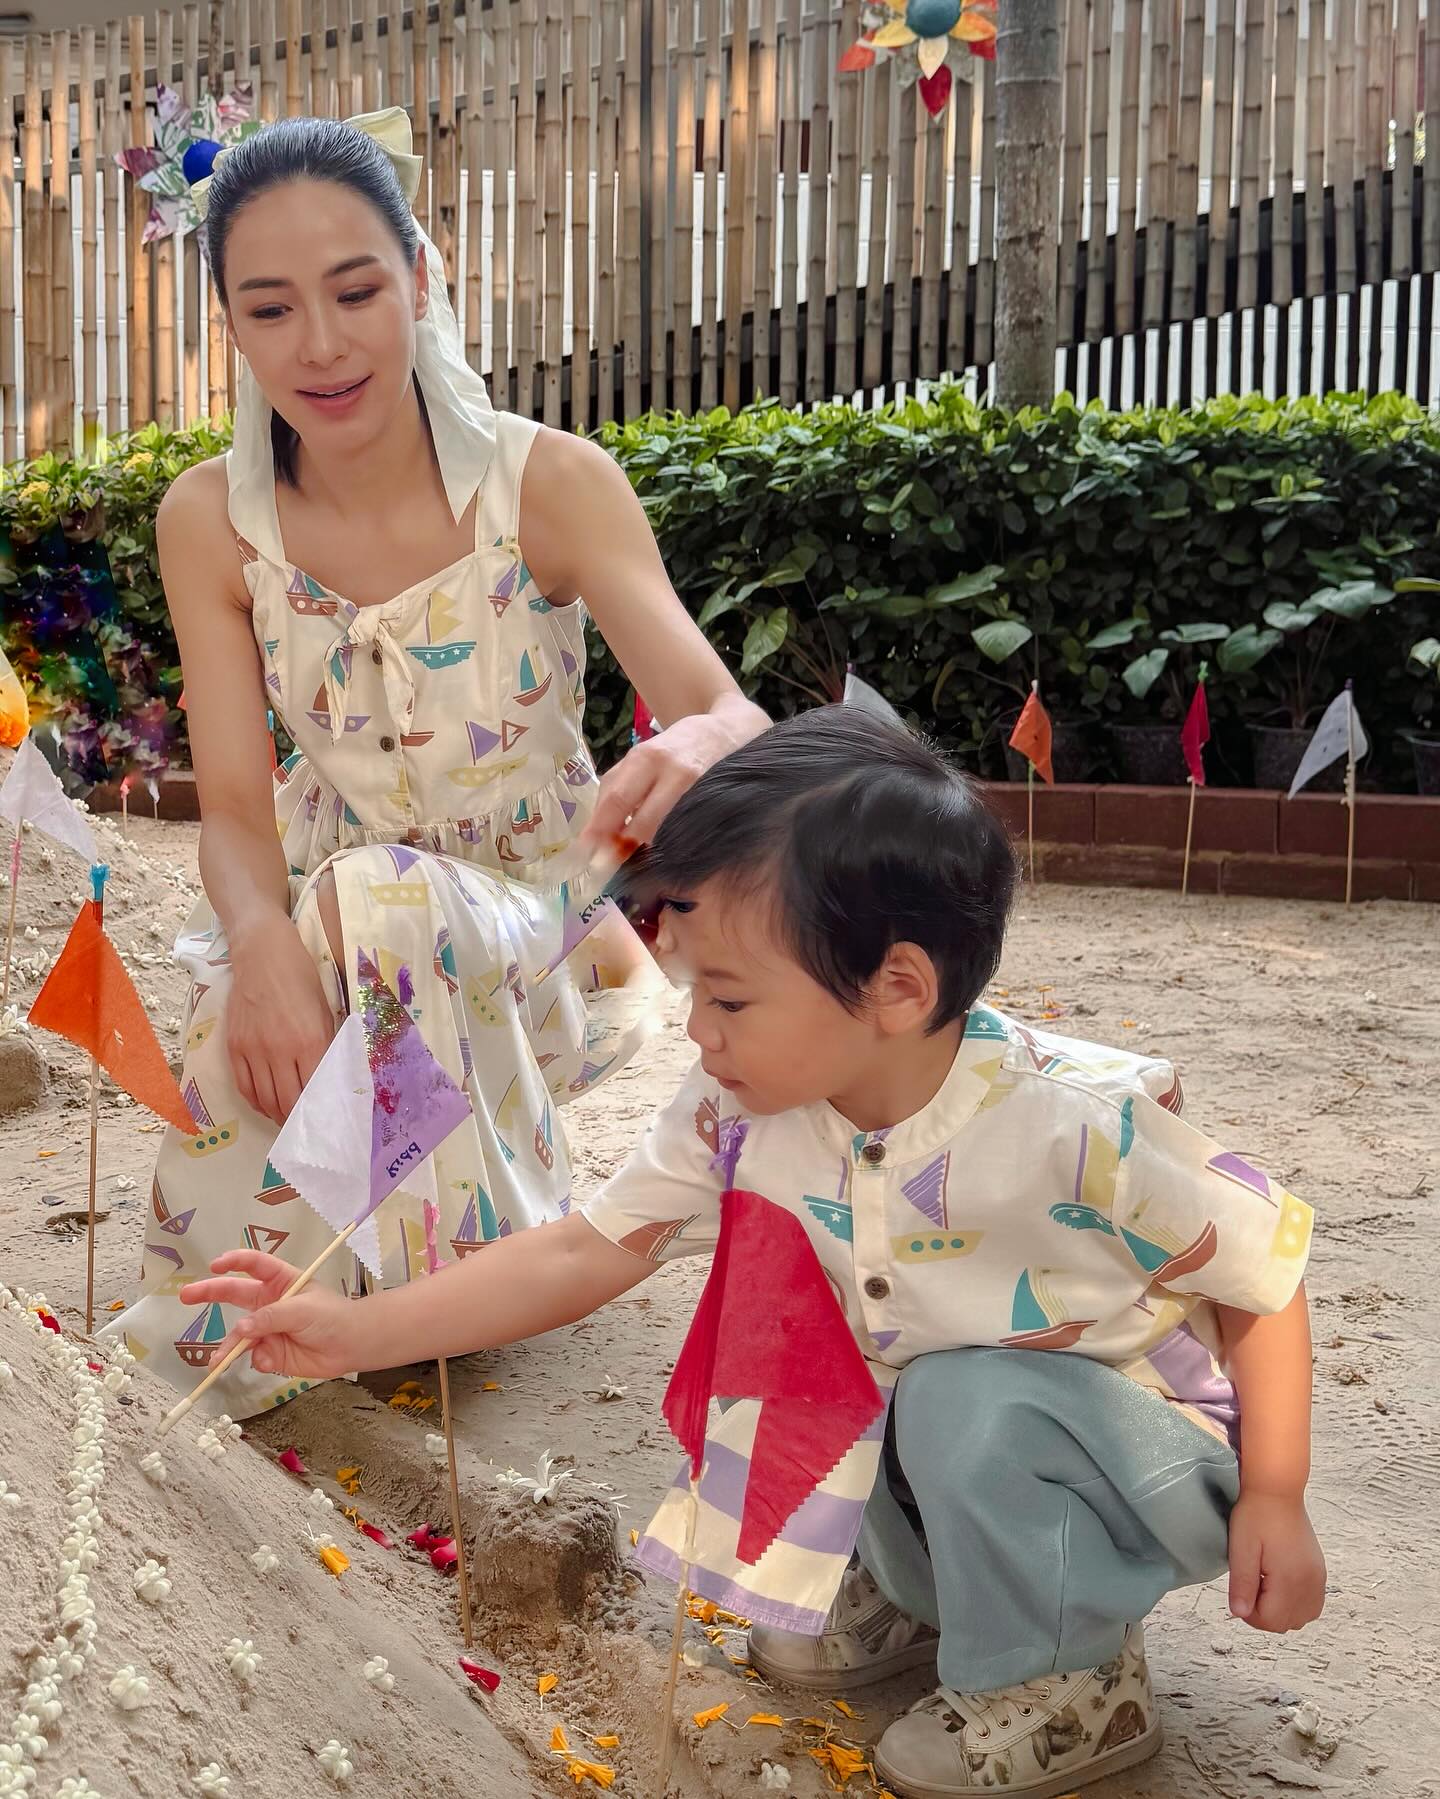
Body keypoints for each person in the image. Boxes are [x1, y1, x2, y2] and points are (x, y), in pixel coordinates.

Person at [179, 708, 1326, 1799]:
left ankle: (1068, 1677)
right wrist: (353, 1330)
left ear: (896, 986)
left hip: (1135, 1459)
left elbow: (1265, 1279)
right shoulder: (742, 1102)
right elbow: (581, 1249)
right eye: (692, 991)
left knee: (960, 1398)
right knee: (820, 1336)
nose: (696, 1030)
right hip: (946, 1430)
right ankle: (920, 1589)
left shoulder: (1077, 1123)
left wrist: (1276, 1495)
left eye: (728, 998)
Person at [101, 107, 765, 1418]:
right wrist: (261, 948)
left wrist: (693, 736)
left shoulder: (547, 486)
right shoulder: (210, 519)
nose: (322, 343)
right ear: (230, 325)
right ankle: (249, 1326)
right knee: (260, 1002)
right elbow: (231, 807)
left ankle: (464, 1276)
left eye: (356, 290)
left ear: (421, 273)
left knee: (381, 898)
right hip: (334, 922)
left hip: (542, 936)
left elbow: (724, 710)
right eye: (272, 308)